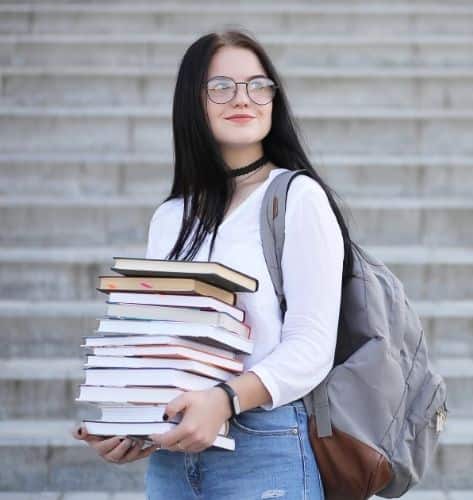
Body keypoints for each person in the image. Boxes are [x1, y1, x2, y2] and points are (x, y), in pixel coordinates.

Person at [72, 28, 359, 499]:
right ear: (193, 101)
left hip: (265, 447)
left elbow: (311, 345)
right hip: (172, 459)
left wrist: (225, 400)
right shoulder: (171, 217)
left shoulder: (296, 198)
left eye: (257, 85)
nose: (242, 98)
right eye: (221, 86)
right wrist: (131, 420)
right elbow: (159, 340)